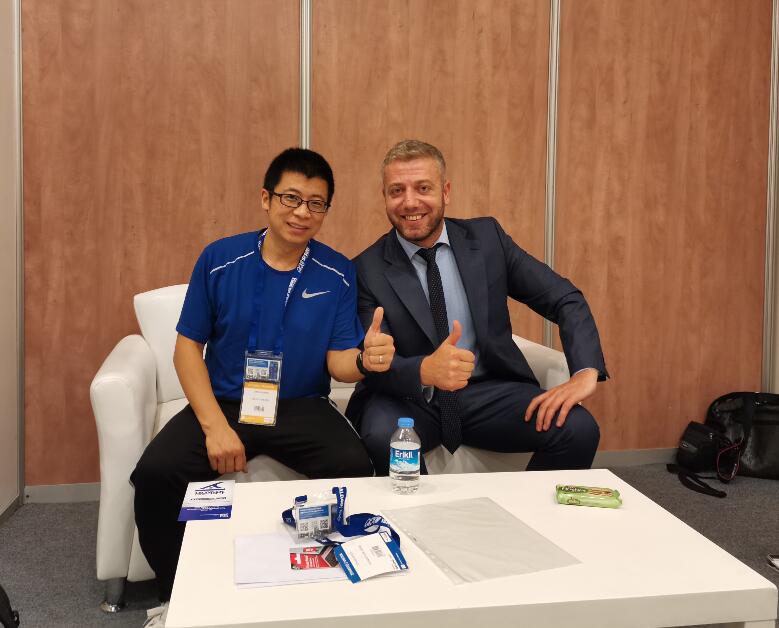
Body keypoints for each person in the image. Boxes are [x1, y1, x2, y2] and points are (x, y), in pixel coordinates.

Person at [131, 148, 393, 625]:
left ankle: (332, 592)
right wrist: (215, 427)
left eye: (316, 203)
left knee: (355, 466)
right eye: (291, 198)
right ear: (266, 199)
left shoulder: (337, 272)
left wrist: (364, 360)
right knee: (155, 474)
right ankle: (176, 596)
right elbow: (186, 350)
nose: (302, 212)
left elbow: (339, 362)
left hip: (300, 404)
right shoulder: (219, 259)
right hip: (227, 402)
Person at [347, 139, 608, 475]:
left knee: (579, 428)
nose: (410, 202)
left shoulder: (487, 240)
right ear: (384, 196)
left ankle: (524, 509)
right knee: (383, 437)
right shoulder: (366, 269)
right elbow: (376, 364)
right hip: (409, 399)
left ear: (446, 192)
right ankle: (426, 511)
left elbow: (564, 298)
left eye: (423, 188)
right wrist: (425, 370)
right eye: (397, 190)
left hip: (488, 392)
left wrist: (585, 372)